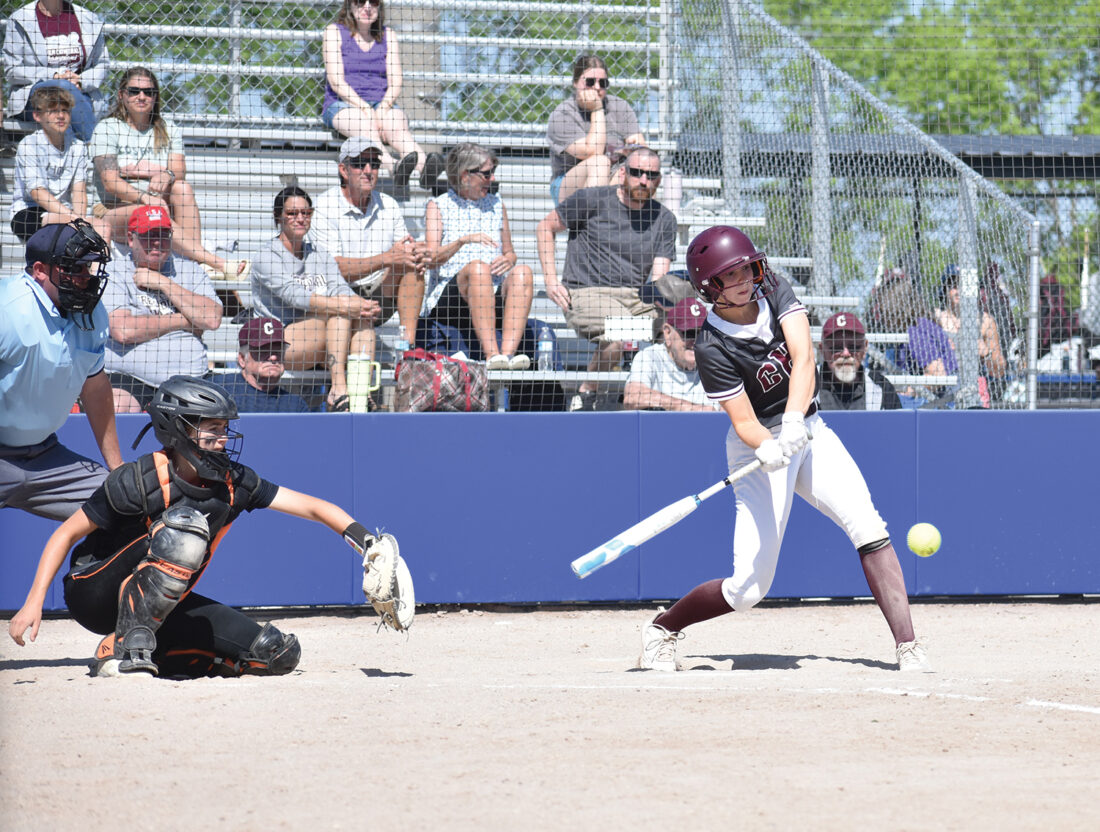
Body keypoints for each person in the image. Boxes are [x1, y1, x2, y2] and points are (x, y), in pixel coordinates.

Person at [636, 225, 929, 674]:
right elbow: (744, 421)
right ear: (710, 287)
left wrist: (794, 421)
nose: (744, 280)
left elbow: (804, 356)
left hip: (809, 426)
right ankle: (663, 627)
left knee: (867, 525)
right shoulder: (711, 346)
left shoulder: (772, 286)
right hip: (758, 452)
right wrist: (770, 445)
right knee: (749, 589)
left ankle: (908, 646)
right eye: (730, 276)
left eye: (745, 269)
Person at [7, 375, 405, 679]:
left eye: (223, 429)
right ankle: (129, 645)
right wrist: (33, 601)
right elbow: (66, 533)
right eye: (211, 429)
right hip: (93, 589)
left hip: (160, 599)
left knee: (276, 653)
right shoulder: (139, 478)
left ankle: (129, 649)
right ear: (178, 429)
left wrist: (366, 541)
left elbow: (312, 507)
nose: (222, 439)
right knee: (184, 530)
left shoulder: (234, 482)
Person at [536, 146, 677, 410]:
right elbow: (545, 226)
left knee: (680, 327)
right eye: (637, 173)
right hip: (586, 293)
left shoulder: (664, 218)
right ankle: (587, 393)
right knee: (618, 332)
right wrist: (551, 280)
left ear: (658, 180)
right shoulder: (592, 199)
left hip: (635, 299)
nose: (644, 180)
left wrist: (671, 310)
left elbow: (659, 278)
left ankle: (665, 399)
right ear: (623, 172)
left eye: (651, 175)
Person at [1, 220, 122, 520]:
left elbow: (94, 388)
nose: (85, 277)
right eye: (75, 268)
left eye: (88, 268)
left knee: (128, 506)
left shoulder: (92, 312)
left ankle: (87, 570)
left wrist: (117, 469)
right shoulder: (7, 308)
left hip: (45, 457)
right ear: (40, 270)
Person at [88, 67, 247, 279]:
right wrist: (145, 196)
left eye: (148, 92)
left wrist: (167, 174)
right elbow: (110, 182)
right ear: (121, 95)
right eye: (134, 91)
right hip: (114, 209)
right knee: (151, 211)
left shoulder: (167, 128)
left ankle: (192, 266)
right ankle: (214, 262)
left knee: (182, 187)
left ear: (155, 96)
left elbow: (179, 170)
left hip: (159, 203)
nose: (141, 96)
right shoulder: (107, 128)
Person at [250, 186, 379, 411]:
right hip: (279, 341)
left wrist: (361, 305)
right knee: (341, 311)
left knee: (361, 317)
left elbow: (340, 287)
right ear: (278, 217)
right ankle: (339, 390)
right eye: (292, 213)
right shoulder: (266, 256)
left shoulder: (320, 254)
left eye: (306, 213)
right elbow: (295, 296)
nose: (300, 218)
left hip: (325, 339)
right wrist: (347, 305)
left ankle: (360, 393)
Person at [311, 137, 428, 362]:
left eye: (374, 164)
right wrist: (388, 258)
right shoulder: (324, 206)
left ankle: (407, 348)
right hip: (336, 294)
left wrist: (416, 252)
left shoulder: (389, 204)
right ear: (343, 170)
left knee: (414, 265)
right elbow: (332, 270)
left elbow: (402, 252)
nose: (369, 170)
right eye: (360, 163)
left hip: (378, 295)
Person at [102, 205, 223, 412]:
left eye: (164, 235)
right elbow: (123, 331)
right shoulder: (115, 272)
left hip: (189, 377)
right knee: (116, 405)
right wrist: (184, 320)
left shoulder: (189, 270)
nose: (157, 242)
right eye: (149, 235)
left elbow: (211, 319)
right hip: (129, 380)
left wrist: (164, 283)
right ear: (131, 239)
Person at [424, 143, 534, 369]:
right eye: (486, 174)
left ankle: (508, 357)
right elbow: (431, 258)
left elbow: (510, 252)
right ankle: (492, 355)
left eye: (493, 172)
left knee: (523, 272)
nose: (492, 179)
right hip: (451, 296)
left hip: (492, 290)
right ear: (465, 175)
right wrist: (462, 241)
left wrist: (508, 260)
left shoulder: (496, 204)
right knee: (478, 268)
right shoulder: (438, 206)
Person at [321, 0, 444, 199]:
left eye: (374, 2)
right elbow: (336, 81)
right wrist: (365, 109)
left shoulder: (388, 36)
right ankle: (393, 167)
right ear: (350, 5)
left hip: (380, 103)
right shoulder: (334, 32)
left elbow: (395, 81)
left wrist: (384, 106)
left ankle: (424, 168)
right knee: (360, 122)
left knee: (396, 123)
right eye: (360, 2)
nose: (367, 7)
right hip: (342, 104)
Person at [9, 85, 109, 243]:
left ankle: (94, 268)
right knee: (65, 225)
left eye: (65, 110)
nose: (61, 116)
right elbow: (37, 193)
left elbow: (79, 191)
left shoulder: (78, 147)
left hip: (66, 211)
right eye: (53, 111)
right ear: (37, 116)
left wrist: (80, 218)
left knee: (102, 227)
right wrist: (75, 220)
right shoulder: (29, 144)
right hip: (29, 212)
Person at [2, 0, 108, 141]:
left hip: (80, 92)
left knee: (69, 104)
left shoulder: (87, 18)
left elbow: (102, 64)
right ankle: (94, 150)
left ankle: (77, 158)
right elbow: (12, 70)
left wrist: (81, 81)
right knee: (63, 89)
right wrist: (54, 76)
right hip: (34, 95)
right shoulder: (20, 18)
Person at [547, 54, 645, 205]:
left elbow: (641, 147)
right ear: (575, 82)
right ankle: (591, 224)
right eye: (590, 82)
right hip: (569, 183)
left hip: (614, 175)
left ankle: (613, 223)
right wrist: (597, 109)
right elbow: (593, 152)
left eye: (603, 83)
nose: (597, 88)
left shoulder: (620, 106)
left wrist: (633, 148)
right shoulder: (562, 114)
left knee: (636, 174)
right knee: (600, 163)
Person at [866, 270, 957, 399]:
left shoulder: (915, 331)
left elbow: (938, 374)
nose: (882, 317)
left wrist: (910, 390)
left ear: (894, 308)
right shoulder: (922, 323)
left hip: (945, 399)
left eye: (884, 310)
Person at [622, 297, 716, 411]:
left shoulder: (715, 362)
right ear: (667, 333)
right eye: (689, 333)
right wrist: (691, 409)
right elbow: (633, 398)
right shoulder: (650, 357)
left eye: (701, 334)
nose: (696, 341)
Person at [215, 317, 311, 413]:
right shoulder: (219, 391)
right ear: (242, 359)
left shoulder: (295, 405)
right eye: (264, 351)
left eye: (277, 351)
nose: (273, 357)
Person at [935, 264, 1008, 387]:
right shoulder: (937, 319)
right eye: (953, 285)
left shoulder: (985, 321)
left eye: (963, 285)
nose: (958, 290)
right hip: (943, 384)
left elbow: (999, 371)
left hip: (974, 385)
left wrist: (986, 353)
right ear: (945, 289)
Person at [816, 311, 901, 411]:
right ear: (822, 349)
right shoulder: (807, 384)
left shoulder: (880, 386)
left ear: (865, 348)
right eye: (836, 347)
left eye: (854, 347)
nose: (846, 353)